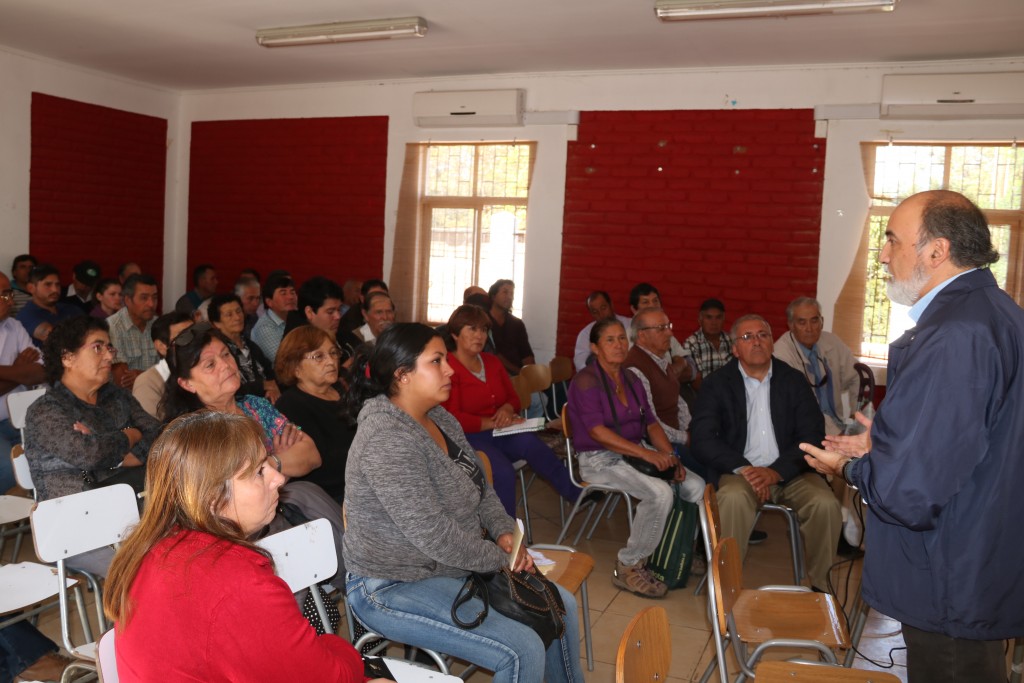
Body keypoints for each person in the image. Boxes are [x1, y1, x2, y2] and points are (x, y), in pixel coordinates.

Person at [800, 190, 1024, 683]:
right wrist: (894, 442)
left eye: (892, 239)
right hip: (975, 553)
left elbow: (912, 493)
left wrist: (851, 467)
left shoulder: (956, 334)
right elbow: (972, 440)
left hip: (950, 569)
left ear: (936, 251)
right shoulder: (990, 311)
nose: (882, 253)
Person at [343, 323, 583, 683]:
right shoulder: (386, 438)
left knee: (563, 606)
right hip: (392, 584)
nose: (451, 369)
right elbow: (434, 536)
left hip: (450, 566)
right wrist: (502, 558)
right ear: (402, 375)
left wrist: (503, 531)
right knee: (521, 648)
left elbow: (481, 488)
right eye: (437, 361)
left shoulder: (439, 417)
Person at [102, 411, 375, 683]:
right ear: (213, 498)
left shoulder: (156, 548)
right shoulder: (237, 584)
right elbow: (329, 677)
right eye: (259, 471)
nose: (277, 478)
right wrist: (337, 647)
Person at [690, 314, 840, 592]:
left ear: (772, 342)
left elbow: (812, 435)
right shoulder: (717, 384)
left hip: (790, 472)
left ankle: (822, 588)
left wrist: (776, 472)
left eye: (763, 335)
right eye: (747, 337)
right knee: (731, 499)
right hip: (739, 473)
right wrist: (745, 468)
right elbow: (701, 439)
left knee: (826, 504)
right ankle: (727, 590)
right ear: (734, 348)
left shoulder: (793, 381)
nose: (756, 342)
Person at [567, 318, 704, 598]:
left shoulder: (630, 378)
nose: (619, 345)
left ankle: (673, 553)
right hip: (598, 459)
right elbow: (598, 433)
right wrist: (648, 455)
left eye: (621, 339)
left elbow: (651, 424)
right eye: (610, 340)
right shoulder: (586, 381)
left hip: (633, 450)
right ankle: (628, 565)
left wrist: (669, 456)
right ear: (594, 347)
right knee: (659, 493)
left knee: (696, 486)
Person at [23, 316, 160, 575]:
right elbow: (91, 454)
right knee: (148, 573)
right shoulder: (46, 412)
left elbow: (158, 436)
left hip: (132, 511)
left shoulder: (116, 396)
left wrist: (115, 450)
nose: (109, 356)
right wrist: (129, 436)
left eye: (109, 347)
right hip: (73, 528)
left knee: (184, 551)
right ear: (67, 358)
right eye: (98, 347)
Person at [441, 304, 580, 516]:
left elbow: (513, 398)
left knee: (534, 446)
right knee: (503, 472)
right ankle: (505, 536)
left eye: (484, 330)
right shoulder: (448, 367)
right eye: (472, 329)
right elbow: (452, 418)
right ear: (455, 334)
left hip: (498, 431)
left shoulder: (492, 361)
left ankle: (578, 496)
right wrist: (493, 422)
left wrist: (506, 409)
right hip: (465, 438)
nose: (480, 336)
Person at [161, 322, 320, 479]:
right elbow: (233, 491)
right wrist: (284, 465)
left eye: (226, 354)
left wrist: (271, 464)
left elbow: (312, 454)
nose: (225, 365)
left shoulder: (255, 405)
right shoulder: (193, 435)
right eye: (210, 365)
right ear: (187, 384)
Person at [274, 327, 354, 504]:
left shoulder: (344, 390)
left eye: (333, 353)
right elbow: (322, 466)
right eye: (319, 356)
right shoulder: (291, 404)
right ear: (295, 368)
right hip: (331, 497)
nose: (331, 361)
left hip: (360, 483)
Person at [773, 297, 858, 436]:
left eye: (814, 320)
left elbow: (858, 376)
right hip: (804, 431)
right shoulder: (781, 355)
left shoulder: (832, 342)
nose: (809, 328)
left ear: (822, 322)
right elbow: (803, 406)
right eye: (802, 322)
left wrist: (856, 414)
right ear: (790, 325)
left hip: (838, 424)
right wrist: (839, 436)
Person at [0, 271, 45, 493]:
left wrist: (14, 370)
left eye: (8, 293)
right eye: (2, 295)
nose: (8, 300)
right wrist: (18, 369)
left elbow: (39, 372)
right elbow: (26, 373)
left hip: (17, 419)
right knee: (7, 470)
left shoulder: (14, 327)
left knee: (55, 450)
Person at [208, 293, 280, 402]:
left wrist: (272, 388)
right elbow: (223, 388)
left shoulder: (251, 346)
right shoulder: (218, 352)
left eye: (238, 311)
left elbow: (269, 372)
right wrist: (262, 386)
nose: (237, 317)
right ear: (216, 323)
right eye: (229, 314)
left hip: (265, 403)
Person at [132, 311, 193, 420]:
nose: (194, 341)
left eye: (195, 333)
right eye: (183, 337)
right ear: (161, 347)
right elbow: (151, 430)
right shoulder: (147, 382)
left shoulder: (205, 370)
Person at [107, 274, 160, 387]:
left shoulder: (158, 324)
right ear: (127, 300)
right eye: (144, 298)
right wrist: (156, 376)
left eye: (154, 298)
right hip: (124, 400)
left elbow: (171, 370)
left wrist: (140, 375)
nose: (151, 304)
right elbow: (123, 381)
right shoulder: (112, 327)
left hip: (157, 395)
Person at [16, 263, 83, 347]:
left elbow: (92, 331)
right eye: (48, 285)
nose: (55, 289)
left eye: (57, 285)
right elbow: (53, 338)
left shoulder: (72, 309)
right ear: (31, 288)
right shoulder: (26, 315)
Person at [573, 290, 632, 371]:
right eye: (595, 312)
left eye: (603, 308)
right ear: (591, 314)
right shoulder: (586, 334)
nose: (601, 314)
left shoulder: (630, 324)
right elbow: (580, 362)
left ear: (611, 305)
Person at [487, 279, 534, 376]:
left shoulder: (517, 324)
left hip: (519, 376)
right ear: (493, 296)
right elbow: (494, 354)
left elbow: (526, 353)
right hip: (495, 373)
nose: (509, 297)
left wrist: (529, 374)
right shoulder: (484, 321)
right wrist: (518, 372)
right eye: (505, 292)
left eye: (511, 293)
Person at [683, 298, 733, 383]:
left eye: (718, 317)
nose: (714, 323)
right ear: (700, 319)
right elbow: (695, 381)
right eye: (709, 317)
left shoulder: (732, 341)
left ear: (724, 319)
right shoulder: (691, 344)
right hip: (704, 393)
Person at [251, 273, 297, 363]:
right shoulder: (264, 327)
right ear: (269, 302)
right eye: (283, 293)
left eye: (292, 292)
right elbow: (284, 362)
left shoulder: (297, 317)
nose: (291, 297)